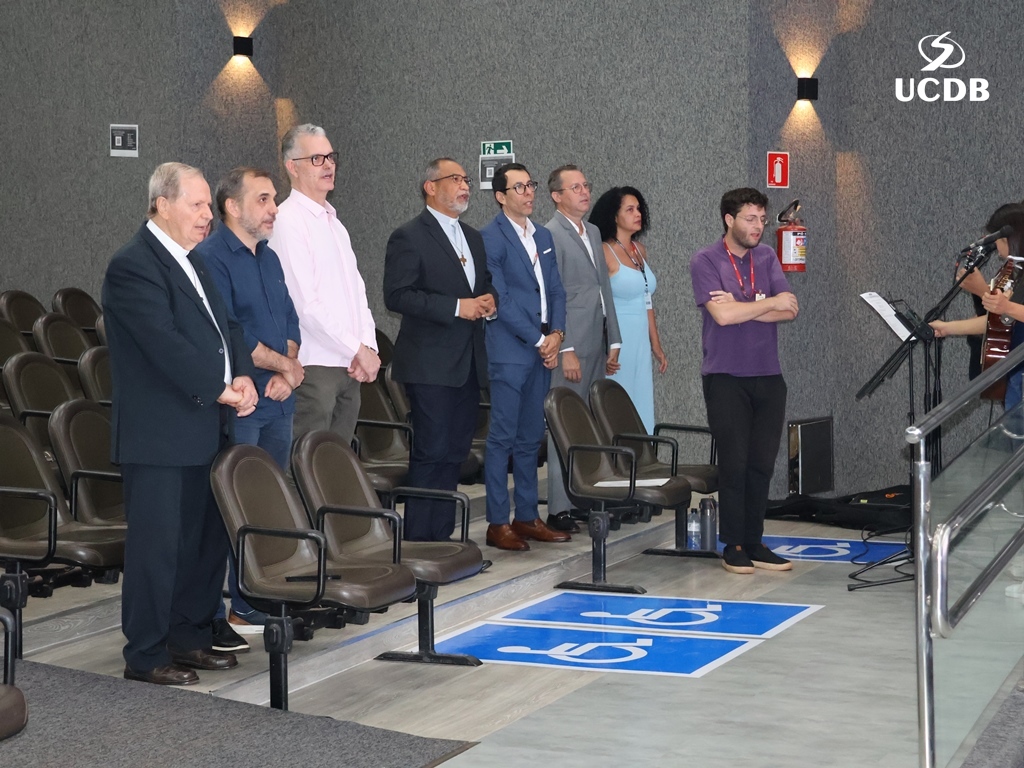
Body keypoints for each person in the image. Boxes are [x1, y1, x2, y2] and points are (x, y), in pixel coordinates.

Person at [102, 162, 258, 685]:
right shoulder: (133, 265)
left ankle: (187, 637)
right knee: (159, 549)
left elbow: (228, 327)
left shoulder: (195, 261)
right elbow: (163, 343)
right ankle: (146, 654)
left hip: (207, 428)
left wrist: (242, 374)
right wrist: (219, 388)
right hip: (160, 437)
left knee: (202, 543)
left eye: (208, 205)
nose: (206, 214)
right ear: (162, 204)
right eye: (196, 204)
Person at [198, 167, 304, 646]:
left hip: (278, 399)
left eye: (273, 199)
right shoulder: (212, 258)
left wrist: (288, 371)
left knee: (268, 503)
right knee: (235, 504)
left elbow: (290, 321)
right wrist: (285, 368)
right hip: (243, 401)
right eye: (263, 199)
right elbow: (232, 332)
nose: (273, 208)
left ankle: (260, 594)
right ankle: (234, 605)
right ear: (232, 207)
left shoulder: (270, 257)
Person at [383, 158, 497, 541]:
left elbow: (484, 283)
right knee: (431, 452)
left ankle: (443, 540)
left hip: (468, 364)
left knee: (454, 454)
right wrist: (456, 308)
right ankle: (419, 543)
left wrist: (489, 300)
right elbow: (398, 295)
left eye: (466, 180)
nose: (465, 186)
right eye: (456, 179)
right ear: (430, 187)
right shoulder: (409, 236)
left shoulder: (473, 237)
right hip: (429, 364)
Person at [690, 187, 799, 575]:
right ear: (729, 219)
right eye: (750, 219)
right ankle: (733, 544)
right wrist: (766, 303)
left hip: (768, 376)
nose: (758, 226)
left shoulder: (766, 256)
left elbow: (790, 308)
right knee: (734, 464)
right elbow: (722, 317)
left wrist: (743, 306)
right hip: (725, 377)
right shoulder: (706, 260)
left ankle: (754, 540)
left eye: (762, 219)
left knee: (761, 464)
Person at [268, 123, 379, 449]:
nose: (328, 165)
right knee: (307, 464)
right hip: (315, 366)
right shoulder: (287, 221)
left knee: (337, 466)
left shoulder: (335, 224)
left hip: (348, 365)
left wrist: (368, 347)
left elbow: (357, 293)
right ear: (292, 167)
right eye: (317, 158)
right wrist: (357, 349)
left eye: (331, 157)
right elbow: (305, 305)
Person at [480, 163, 571, 551]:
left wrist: (557, 336)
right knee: (502, 437)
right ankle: (498, 522)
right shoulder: (490, 237)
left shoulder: (543, 235)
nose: (529, 192)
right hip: (511, 350)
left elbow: (557, 291)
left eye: (530, 185)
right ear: (501, 196)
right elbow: (501, 298)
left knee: (531, 436)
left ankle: (528, 516)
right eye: (519, 187)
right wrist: (539, 339)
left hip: (542, 348)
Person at [544, 165, 622, 532]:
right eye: (575, 187)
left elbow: (603, 290)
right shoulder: (549, 233)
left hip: (597, 338)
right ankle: (559, 506)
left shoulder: (592, 231)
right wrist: (566, 348)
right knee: (563, 423)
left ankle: (583, 498)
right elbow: (553, 295)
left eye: (586, 185)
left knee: (589, 425)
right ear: (556, 196)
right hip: (571, 343)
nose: (584, 192)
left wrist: (614, 338)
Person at [931, 204, 1024, 409]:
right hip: (1014, 373)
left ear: (1007, 238)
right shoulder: (1014, 271)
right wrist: (947, 328)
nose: (997, 249)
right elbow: (999, 320)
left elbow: (1007, 312)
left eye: (997, 240)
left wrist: (984, 292)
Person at [589, 186, 667, 432]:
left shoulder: (639, 250)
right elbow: (595, 303)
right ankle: (617, 454)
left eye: (639, 209)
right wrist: (605, 347)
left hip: (640, 341)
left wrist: (656, 345)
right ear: (614, 216)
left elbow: (647, 301)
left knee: (640, 402)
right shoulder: (603, 251)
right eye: (630, 209)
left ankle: (641, 452)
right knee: (616, 405)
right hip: (617, 340)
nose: (638, 214)